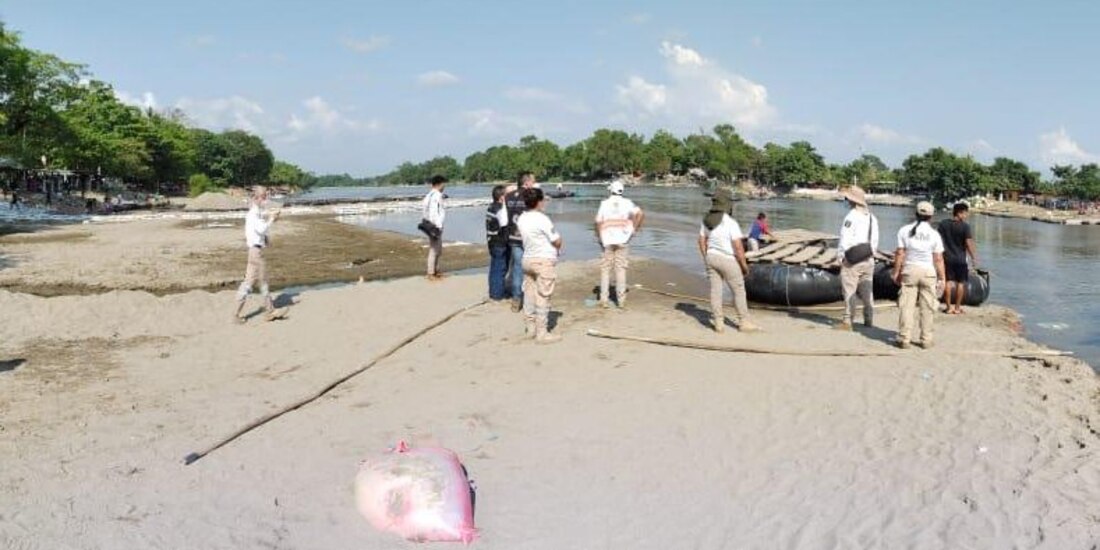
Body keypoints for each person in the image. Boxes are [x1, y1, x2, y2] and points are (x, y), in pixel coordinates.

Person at [697, 188, 759, 333]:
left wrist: (706, 257)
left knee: (715, 291)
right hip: (728, 260)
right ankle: (744, 322)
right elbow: (738, 248)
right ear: (728, 205)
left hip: (711, 257)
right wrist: (744, 266)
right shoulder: (730, 222)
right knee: (738, 291)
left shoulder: (706, 220)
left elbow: (701, 241)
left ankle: (718, 323)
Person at [892, 201, 946, 349]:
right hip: (928, 272)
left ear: (915, 214)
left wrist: (896, 272)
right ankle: (926, 339)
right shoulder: (934, 234)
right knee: (927, 307)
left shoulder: (904, 230)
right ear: (931, 216)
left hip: (910, 270)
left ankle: (904, 338)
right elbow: (938, 258)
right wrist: (942, 277)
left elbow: (900, 253)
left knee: (906, 306)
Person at [516, 187, 563, 343]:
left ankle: (530, 327)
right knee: (543, 295)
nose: (544, 203)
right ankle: (542, 333)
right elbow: (556, 240)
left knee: (529, 294)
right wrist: (558, 246)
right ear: (538, 202)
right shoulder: (542, 219)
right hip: (542, 260)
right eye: (542, 200)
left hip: (528, 258)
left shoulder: (522, 218)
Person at [233, 185, 282, 323]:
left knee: (248, 283)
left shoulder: (255, 213)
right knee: (263, 281)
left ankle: (236, 314)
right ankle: (270, 311)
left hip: (253, 251)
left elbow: (260, 231)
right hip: (256, 252)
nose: (266, 199)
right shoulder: (254, 214)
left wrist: (270, 219)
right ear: (256, 198)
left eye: (266, 196)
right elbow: (261, 229)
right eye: (264, 196)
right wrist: (272, 218)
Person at [595, 179, 644, 308]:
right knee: (621, 270)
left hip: (607, 240)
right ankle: (621, 301)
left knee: (605, 270)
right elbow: (640, 214)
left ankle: (604, 300)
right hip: (623, 239)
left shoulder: (604, 203)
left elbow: (598, 222)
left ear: (611, 190)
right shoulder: (628, 203)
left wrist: (599, 237)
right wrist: (633, 230)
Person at [836, 185, 879, 330]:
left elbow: (845, 239)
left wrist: (842, 257)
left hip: (853, 259)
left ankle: (848, 321)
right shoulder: (872, 218)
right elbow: (875, 242)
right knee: (867, 290)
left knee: (849, 290)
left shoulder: (851, 216)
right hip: (869, 258)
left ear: (851, 200)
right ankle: (869, 319)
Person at [937, 202, 979, 314]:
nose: (966, 216)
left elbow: (938, 240)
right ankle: (957, 307)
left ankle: (948, 307)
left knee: (948, 282)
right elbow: (968, 243)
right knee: (961, 283)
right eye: (965, 213)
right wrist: (974, 258)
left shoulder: (943, 224)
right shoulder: (965, 227)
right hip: (960, 259)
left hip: (947, 258)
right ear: (959, 213)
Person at [504, 172, 537, 311]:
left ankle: (516, 299)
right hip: (527, 236)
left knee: (517, 267)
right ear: (527, 182)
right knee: (532, 268)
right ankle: (531, 299)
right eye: (533, 181)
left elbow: (505, 215)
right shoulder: (530, 195)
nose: (535, 183)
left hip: (513, 236)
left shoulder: (509, 196)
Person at [485, 185, 510, 300]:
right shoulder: (500, 209)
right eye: (506, 195)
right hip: (499, 242)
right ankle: (497, 294)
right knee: (500, 268)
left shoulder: (491, 207)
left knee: (495, 267)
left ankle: (493, 292)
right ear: (501, 197)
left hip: (491, 241)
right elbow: (504, 224)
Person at [421, 175, 447, 280]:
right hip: (434, 225)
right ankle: (431, 273)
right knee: (434, 249)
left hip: (429, 224)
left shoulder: (429, 195)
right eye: (444, 184)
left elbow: (425, 210)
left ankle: (435, 270)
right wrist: (438, 226)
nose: (444, 186)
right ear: (440, 184)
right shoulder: (436, 195)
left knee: (438, 249)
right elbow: (434, 212)